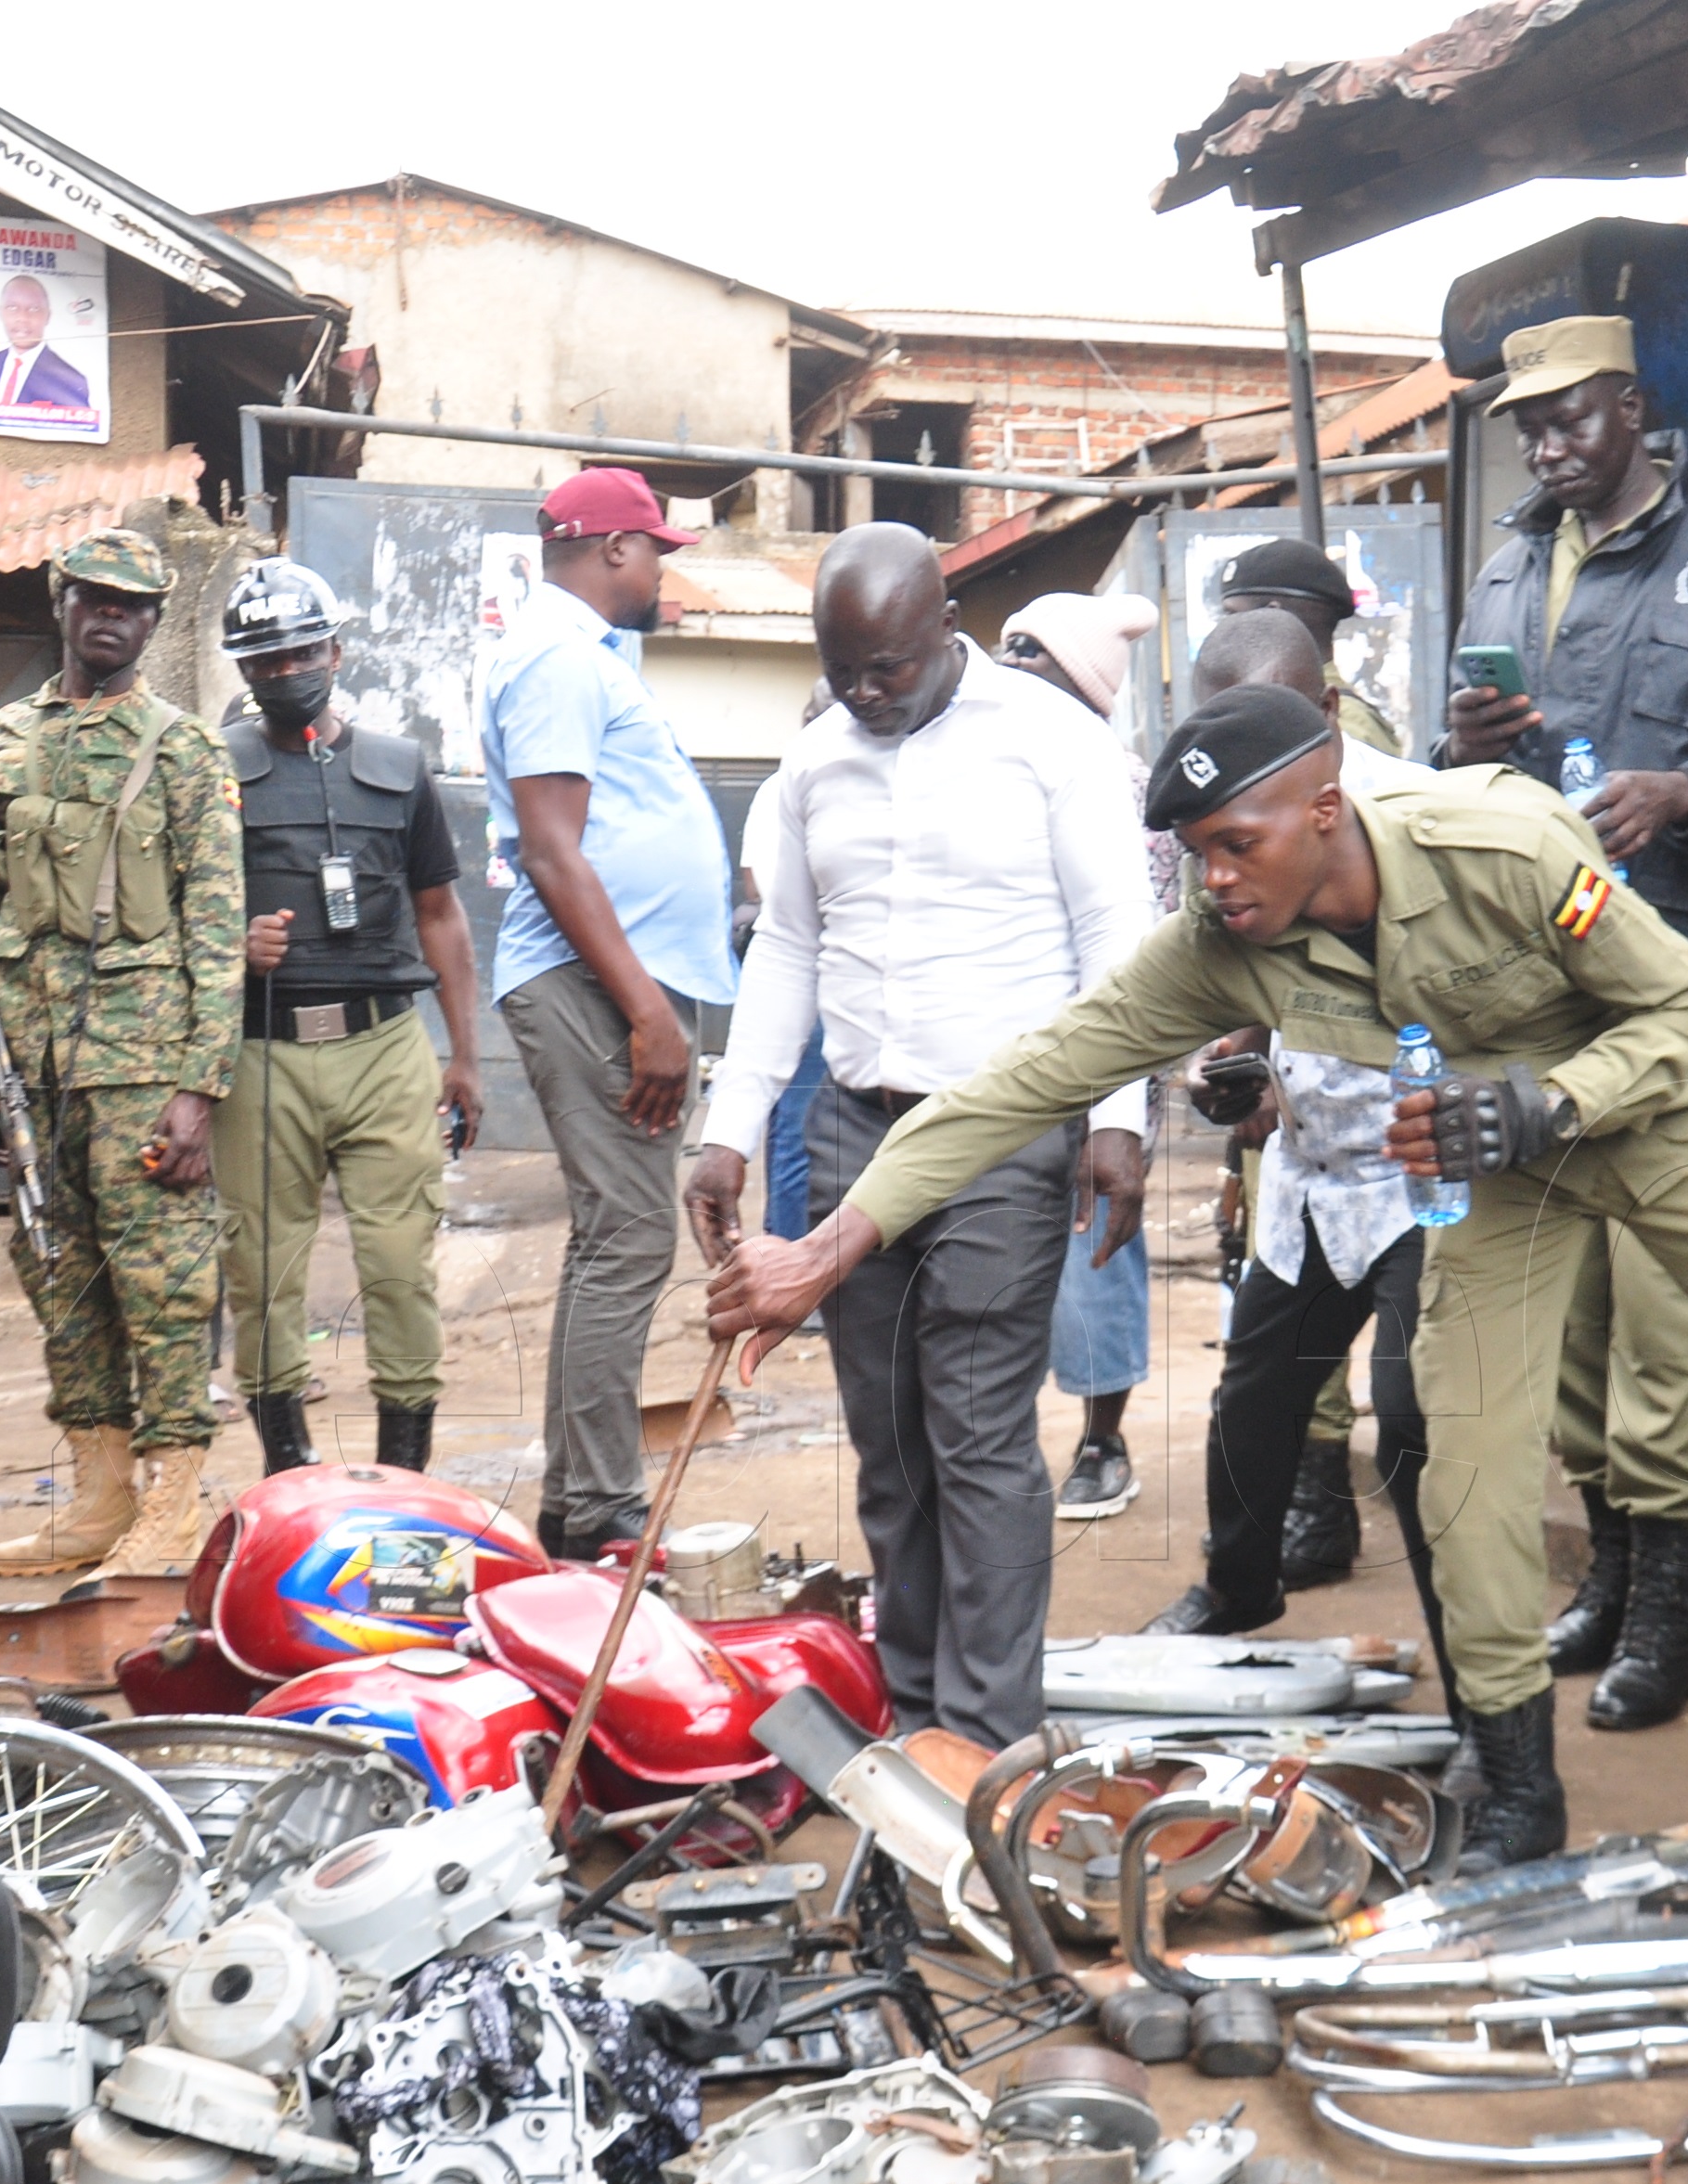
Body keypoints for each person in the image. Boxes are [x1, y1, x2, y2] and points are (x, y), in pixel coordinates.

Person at [704, 683, 1688, 1884]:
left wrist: (1553, 1100)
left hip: (1678, 1120)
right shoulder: (1222, 941)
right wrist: (828, 1247)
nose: (1212, 878)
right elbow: (1023, 1079)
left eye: (1235, 842)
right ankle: (1518, 1786)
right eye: (1193, 852)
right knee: (1464, 1463)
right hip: (1502, 1160)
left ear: (1323, 811)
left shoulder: (1501, 841)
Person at [1442, 312, 1688, 1734]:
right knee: (1572, 1312)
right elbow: (1462, 753)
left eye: (1569, 418)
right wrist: (1459, 749)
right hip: (1537, 987)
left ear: (1632, 408)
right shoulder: (1504, 560)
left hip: (1683, 983)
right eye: (1529, 427)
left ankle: (1668, 1607)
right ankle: (1609, 1575)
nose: (1548, 445)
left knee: (1667, 1322)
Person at [688, 527, 1152, 1748]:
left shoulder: (1055, 742)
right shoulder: (813, 766)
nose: (865, 694)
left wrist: (1117, 1116)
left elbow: (1118, 933)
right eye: (844, 671)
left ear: (944, 629)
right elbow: (786, 947)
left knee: (980, 1435)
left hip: (1003, 1137)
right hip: (854, 1133)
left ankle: (989, 1744)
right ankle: (918, 1719)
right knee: (891, 1448)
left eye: (886, 667)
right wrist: (730, 1126)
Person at [1139, 612, 1449, 1664]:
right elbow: (1238, 987)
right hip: (1311, 1164)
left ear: (1323, 712)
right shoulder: (1220, 825)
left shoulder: (1411, 816)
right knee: (1255, 1394)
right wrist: (1234, 1073)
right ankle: (1239, 1586)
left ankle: (1471, 1648)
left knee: (1415, 1421)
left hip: (1423, 1170)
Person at [0, 528, 245, 1580]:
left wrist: (199, 1087)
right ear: (62, 601)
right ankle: (99, 1493)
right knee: (58, 1273)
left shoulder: (182, 749)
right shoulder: (2, 739)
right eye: (93, 598)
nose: (109, 617)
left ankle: (173, 1505)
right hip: (33, 1059)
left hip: (140, 1062)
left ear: (153, 618)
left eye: (131, 605)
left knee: (162, 1280)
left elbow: (217, 926)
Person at [482, 469, 741, 1559]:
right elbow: (550, 850)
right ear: (612, 551)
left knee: (613, 1240)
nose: (660, 571)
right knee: (630, 1237)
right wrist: (647, 1011)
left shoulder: (580, 655)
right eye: (655, 552)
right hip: (592, 984)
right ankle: (599, 1509)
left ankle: (581, 1506)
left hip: (608, 979)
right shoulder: (556, 655)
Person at [212, 559, 488, 1478]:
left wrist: (466, 1058)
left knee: (401, 1269)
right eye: (263, 661)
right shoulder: (216, 775)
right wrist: (229, 947)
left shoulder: (400, 768)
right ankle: (288, 1484)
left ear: (334, 648)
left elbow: (441, 913)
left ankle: (402, 1485)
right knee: (262, 1275)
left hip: (383, 1048)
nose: (285, 670)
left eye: (299, 651)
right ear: (243, 673)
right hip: (262, 1056)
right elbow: (183, 917)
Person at [998, 592, 1171, 1522]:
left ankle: (1103, 1441)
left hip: (1104, 1056)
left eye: (1033, 651)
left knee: (1097, 1246)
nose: (1012, 662)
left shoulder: (1125, 780)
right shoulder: (981, 767)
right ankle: (1000, 1439)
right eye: (1009, 646)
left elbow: (1151, 943)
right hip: (999, 1057)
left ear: (1082, 680)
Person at [1219, 536, 1399, 753]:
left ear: (1274, 616)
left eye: (1232, 616)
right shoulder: (1297, 711)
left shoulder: (1344, 725)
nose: (1224, 631)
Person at [0, 273, 93, 413]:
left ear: (48, 316)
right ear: (1, 313)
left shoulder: (71, 379)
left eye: (34, 309)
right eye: (12, 308)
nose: (22, 317)